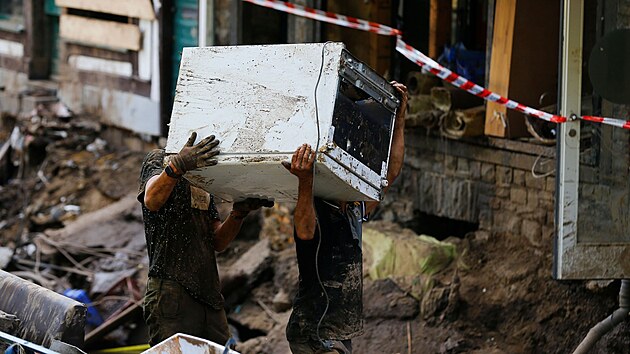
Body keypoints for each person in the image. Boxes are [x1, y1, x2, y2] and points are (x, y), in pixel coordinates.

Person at [283, 82, 408, 354]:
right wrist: (305, 181)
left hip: (338, 333)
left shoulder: (354, 210)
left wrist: (399, 120)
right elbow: (304, 233)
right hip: (311, 333)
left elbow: (391, 174)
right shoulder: (318, 207)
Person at [137, 132, 273, 346]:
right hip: (172, 290)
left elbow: (217, 241)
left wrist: (238, 214)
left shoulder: (205, 175)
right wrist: (178, 165)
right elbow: (152, 199)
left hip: (208, 294)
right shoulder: (159, 158)